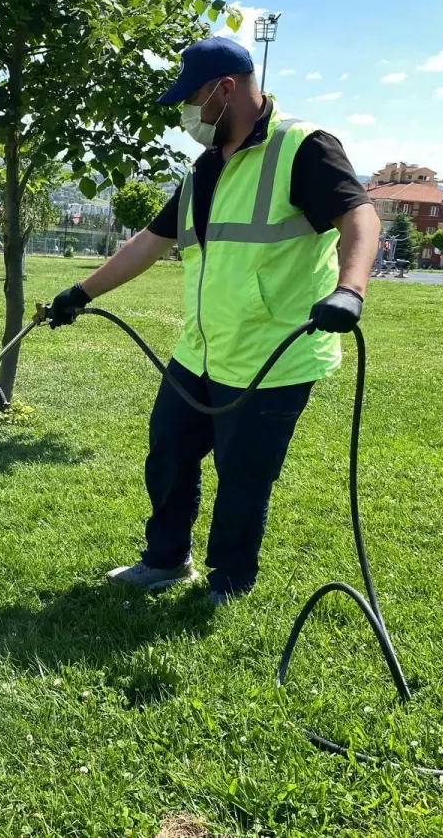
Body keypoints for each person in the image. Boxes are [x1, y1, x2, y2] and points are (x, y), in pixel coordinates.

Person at [46, 37, 381, 605]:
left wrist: (350, 290)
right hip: (200, 349)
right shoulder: (204, 169)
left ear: (227, 89)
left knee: (243, 476)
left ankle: (230, 581)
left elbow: (360, 216)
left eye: (193, 99)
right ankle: (166, 560)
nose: (186, 116)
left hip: (271, 355)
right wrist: (80, 292)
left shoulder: (303, 147)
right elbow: (150, 243)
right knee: (170, 453)